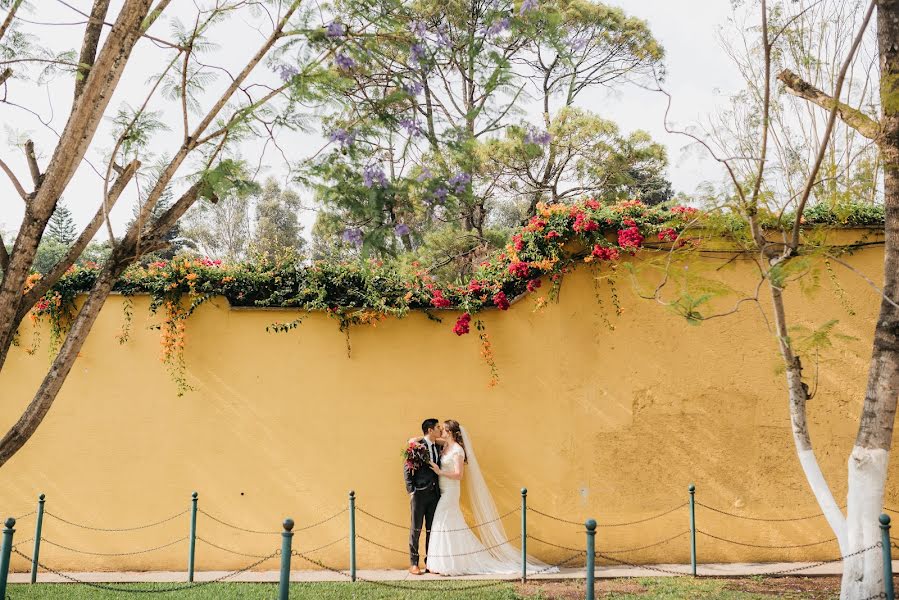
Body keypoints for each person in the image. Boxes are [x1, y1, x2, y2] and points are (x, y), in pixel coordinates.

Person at [424, 419, 557, 576]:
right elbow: (428, 439)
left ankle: (450, 563)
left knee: (442, 520)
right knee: (448, 523)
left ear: (451, 433)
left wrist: (440, 472)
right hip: (443, 490)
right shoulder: (446, 445)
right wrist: (414, 440)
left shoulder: (458, 450)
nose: (442, 432)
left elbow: (459, 475)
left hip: (451, 491)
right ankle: (445, 562)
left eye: (444, 430)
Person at [403, 418, 443, 575]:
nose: (440, 429)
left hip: (435, 494)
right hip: (419, 494)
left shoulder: (436, 446)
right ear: (430, 430)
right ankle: (413, 563)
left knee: (431, 529)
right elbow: (407, 469)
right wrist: (411, 491)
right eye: (437, 427)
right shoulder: (417, 447)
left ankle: (429, 562)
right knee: (416, 529)